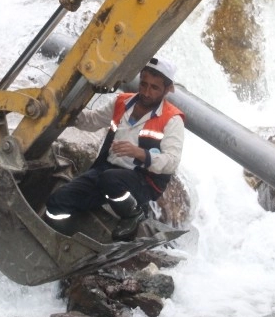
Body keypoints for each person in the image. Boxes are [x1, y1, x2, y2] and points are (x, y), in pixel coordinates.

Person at [44, 56, 185, 241]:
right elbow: (92, 120)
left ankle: (133, 214)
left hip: (144, 181)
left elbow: (171, 162)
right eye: (144, 84)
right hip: (106, 172)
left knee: (111, 180)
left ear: (167, 90)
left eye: (154, 87)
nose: (147, 92)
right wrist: (65, 114)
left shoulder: (172, 120)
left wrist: (141, 154)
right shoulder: (122, 102)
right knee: (57, 202)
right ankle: (65, 240)